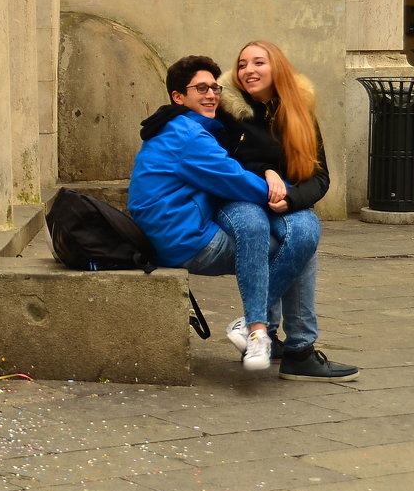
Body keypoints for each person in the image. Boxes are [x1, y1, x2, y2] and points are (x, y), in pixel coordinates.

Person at [128, 55, 318, 371]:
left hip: (172, 233)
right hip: (186, 242)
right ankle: (285, 342)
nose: (212, 95)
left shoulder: (178, 127)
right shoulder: (187, 135)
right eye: (201, 88)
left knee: (295, 239)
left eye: (215, 88)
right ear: (178, 97)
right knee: (301, 244)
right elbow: (234, 179)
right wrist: (288, 193)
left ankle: (265, 333)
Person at [217, 41, 359, 381]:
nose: (248, 70)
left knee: (307, 233)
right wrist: (265, 174)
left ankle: (257, 328)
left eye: (258, 62)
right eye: (242, 64)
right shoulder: (227, 111)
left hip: (286, 202)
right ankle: (294, 347)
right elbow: (221, 165)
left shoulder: (300, 111)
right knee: (299, 248)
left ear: (277, 67)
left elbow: (320, 176)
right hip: (241, 199)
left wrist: (291, 200)